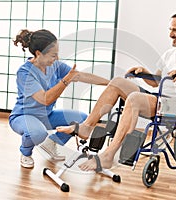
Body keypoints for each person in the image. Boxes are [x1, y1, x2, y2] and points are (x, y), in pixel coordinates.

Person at [55, 11, 176, 171]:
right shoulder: (169, 54)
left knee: (135, 98)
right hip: (160, 100)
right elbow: (156, 82)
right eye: (170, 29)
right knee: (117, 82)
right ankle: (86, 127)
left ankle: (108, 155)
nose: (170, 34)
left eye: (175, 30)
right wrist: (144, 72)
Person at [9, 29, 109, 168]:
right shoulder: (25, 73)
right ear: (38, 54)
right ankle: (26, 153)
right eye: (53, 55)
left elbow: (80, 76)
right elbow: (45, 99)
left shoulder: (55, 66)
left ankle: (51, 143)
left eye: (57, 54)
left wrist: (110, 83)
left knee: (82, 119)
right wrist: (66, 80)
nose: (56, 58)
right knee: (38, 133)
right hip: (24, 116)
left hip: (47, 115)